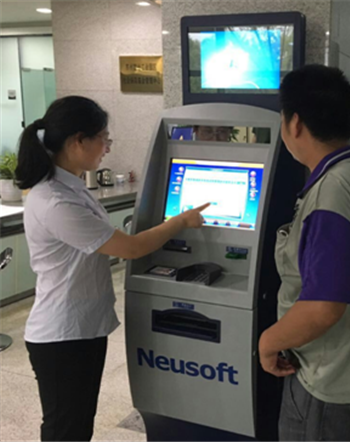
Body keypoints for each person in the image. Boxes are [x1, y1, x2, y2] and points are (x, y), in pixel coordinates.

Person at [16, 96, 210, 441]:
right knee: (65, 430)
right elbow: (130, 248)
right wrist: (180, 221)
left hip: (84, 327)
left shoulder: (71, 187)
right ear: (78, 141)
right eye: (103, 138)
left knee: (78, 425)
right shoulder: (56, 201)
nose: (107, 147)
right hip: (63, 335)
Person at [258, 65, 350, 441]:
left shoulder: (330, 194)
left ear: (295, 124)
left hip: (325, 381)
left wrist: (268, 342)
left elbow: (324, 308)